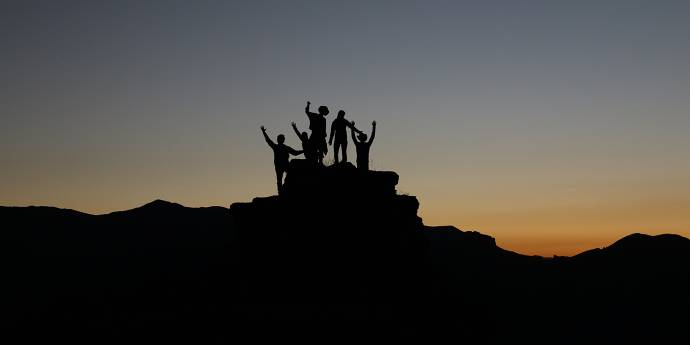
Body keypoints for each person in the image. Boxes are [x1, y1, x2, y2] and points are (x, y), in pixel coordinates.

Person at [261, 126, 303, 193]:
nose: (280, 140)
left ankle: (285, 190)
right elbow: (268, 140)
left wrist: (303, 151)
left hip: (284, 165)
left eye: (281, 138)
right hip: (280, 165)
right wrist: (263, 132)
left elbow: (295, 153)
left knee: (285, 177)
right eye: (280, 138)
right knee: (280, 179)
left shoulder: (281, 147)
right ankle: (281, 192)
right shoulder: (277, 147)